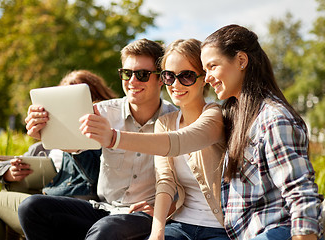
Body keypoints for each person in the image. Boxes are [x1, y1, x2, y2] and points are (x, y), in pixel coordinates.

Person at [18, 38, 177, 240]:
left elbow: (190, 183)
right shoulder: (102, 112)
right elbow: (73, 144)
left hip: (144, 214)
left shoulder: (176, 121)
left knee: (106, 229)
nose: (132, 82)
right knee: (31, 207)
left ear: (161, 78)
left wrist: (164, 209)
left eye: (143, 75)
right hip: (104, 208)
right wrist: (41, 129)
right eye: (127, 74)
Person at [78, 39, 229, 240]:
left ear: (204, 78)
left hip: (219, 227)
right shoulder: (166, 122)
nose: (175, 84)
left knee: (108, 231)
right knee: (34, 207)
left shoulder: (215, 115)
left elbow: (178, 141)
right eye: (170, 76)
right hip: (180, 225)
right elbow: (165, 181)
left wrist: (114, 138)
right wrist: (157, 234)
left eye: (186, 76)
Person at [199, 24, 323, 240]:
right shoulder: (238, 115)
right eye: (204, 70)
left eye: (212, 66)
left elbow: (301, 192)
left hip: (280, 232)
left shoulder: (273, 118)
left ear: (241, 61)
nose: (207, 77)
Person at [0, 69, 116, 240]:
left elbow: (96, 179)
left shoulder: (105, 141)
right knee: (8, 200)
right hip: (43, 206)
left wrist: (73, 145)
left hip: (80, 210)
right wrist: (8, 173)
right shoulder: (44, 145)